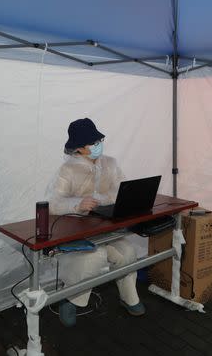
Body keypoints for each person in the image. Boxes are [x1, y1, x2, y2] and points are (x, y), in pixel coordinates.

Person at [45, 118, 145, 327]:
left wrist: (109, 199)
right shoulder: (67, 170)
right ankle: (71, 298)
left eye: (99, 139)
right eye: (93, 142)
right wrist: (77, 204)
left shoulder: (110, 163)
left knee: (127, 252)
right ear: (79, 149)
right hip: (79, 230)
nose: (99, 144)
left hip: (107, 226)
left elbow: (122, 188)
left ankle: (129, 297)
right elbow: (53, 203)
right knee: (93, 257)